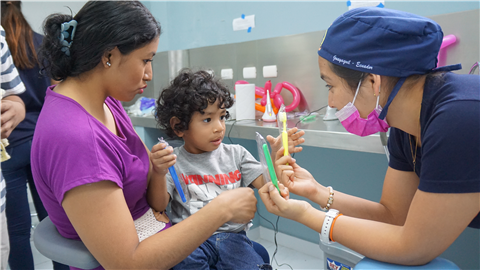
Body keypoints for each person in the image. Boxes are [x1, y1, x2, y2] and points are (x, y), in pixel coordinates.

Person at [30, 1, 279, 269]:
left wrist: (160, 170)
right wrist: (220, 210)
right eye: (146, 60)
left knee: (257, 257)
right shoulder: (76, 139)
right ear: (109, 56)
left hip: (158, 230)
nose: (149, 73)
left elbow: (134, 168)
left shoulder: (103, 102)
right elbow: (128, 263)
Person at [259, 7, 480, 267]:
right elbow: (393, 216)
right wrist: (317, 192)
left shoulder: (460, 117)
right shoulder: (405, 125)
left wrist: (308, 216)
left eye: (331, 86)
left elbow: (414, 246)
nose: (330, 101)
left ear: (373, 82)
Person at [152, 69, 304, 269]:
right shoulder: (173, 161)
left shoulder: (237, 154)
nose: (219, 127)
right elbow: (159, 205)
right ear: (179, 126)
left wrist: (275, 161)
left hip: (233, 239)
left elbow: (269, 184)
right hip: (190, 239)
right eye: (207, 120)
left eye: (222, 117)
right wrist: (158, 172)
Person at [0, 1, 69, 269]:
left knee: (17, 232)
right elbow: (58, 96)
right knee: (56, 223)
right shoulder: (42, 45)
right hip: (42, 145)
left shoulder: (3, 45)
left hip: (11, 147)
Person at [0, 24, 26, 270]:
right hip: (32, 140)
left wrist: (16, 108)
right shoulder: (39, 43)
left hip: (15, 144)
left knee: (16, 230)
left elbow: (13, 94)